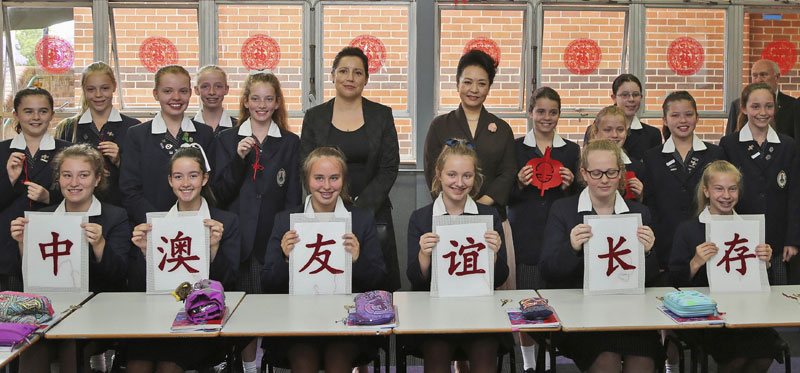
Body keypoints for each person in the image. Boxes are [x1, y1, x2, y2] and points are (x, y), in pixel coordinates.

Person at [539, 139, 661, 372]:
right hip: (581, 314)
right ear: (584, 173)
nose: (604, 179)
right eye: (596, 173)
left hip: (629, 313)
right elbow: (547, 270)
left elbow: (653, 278)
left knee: (642, 363)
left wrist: (649, 251)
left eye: (611, 172)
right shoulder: (564, 210)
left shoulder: (639, 213)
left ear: (621, 173)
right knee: (607, 361)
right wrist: (572, 247)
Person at [261, 147, 386, 372]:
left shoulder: (360, 219)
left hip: (347, 322)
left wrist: (357, 261)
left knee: (338, 361)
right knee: (304, 362)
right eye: (319, 178)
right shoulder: (286, 221)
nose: (326, 186)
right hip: (298, 323)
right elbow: (268, 282)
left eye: (334, 178)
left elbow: (378, 280)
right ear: (307, 181)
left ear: (343, 181)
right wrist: (286, 258)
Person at [12, 144, 131, 373]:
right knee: (32, 347)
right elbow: (26, 279)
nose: (74, 182)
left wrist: (100, 245)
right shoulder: (42, 218)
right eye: (67, 175)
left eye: (83, 175)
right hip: (50, 312)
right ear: (58, 178)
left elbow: (119, 275)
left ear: (97, 179)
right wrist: (22, 244)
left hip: (97, 312)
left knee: (71, 346)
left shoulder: (115, 216)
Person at [213, 71, 301, 373]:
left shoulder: (290, 142)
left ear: (276, 103)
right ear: (246, 102)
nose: (261, 105)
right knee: (245, 311)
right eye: (255, 99)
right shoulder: (226, 139)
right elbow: (220, 194)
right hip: (240, 240)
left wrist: (289, 235)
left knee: (275, 307)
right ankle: (249, 367)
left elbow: (292, 197)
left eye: (268, 98)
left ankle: (274, 364)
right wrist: (239, 159)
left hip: (273, 238)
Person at [127, 147, 240, 372]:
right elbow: (139, 286)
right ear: (170, 181)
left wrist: (214, 247)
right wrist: (144, 253)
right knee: (136, 365)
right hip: (158, 317)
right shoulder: (157, 224)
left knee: (169, 367)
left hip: (203, 319)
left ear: (205, 178)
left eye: (193, 175)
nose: (185, 183)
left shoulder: (225, 221)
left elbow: (231, 282)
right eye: (178, 176)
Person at [299, 47, 400, 291]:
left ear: (366, 78)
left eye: (357, 72)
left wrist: (359, 209)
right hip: (325, 213)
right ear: (332, 76)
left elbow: (389, 167)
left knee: (374, 285)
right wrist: (334, 206)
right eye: (343, 71)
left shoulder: (381, 115)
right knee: (327, 283)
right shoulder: (315, 117)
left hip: (374, 214)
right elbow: (306, 165)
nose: (350, 77)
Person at [669, 160, 781, 373]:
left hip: (747, 311)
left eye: (732, 189)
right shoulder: (688, 230)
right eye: (719, 189)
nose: (726, 196)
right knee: (736, 357)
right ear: (706, 191)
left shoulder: (749, 228)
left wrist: (765, 265)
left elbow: (768, 286)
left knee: (765, 353)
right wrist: (695, 263)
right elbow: (674, 283)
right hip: (706, 316)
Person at [407, 140, 509, 372]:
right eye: (452, 174)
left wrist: (493, 255)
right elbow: (415, 279)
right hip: (436, 314)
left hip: (479, 312)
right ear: (439, 174)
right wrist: (424, 254)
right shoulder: (421, 218)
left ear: (475, 178)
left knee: (484, 355)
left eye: (467, 176)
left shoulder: (488, 215)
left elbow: (501, 277)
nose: (459, 183)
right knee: (436, 353)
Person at [507, 87, 578, 372]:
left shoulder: (571, 150)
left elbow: (580, 198)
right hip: (526, 230)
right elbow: (505, 195)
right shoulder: (515, 148)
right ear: (530, 112)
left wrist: (570, 185)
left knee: (558, 298)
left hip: (560, 234)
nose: (546, 118)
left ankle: (551, 363)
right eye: (540, 111)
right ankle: (528, 365)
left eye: (552, 112)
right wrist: (519, 184)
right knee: (528, 300)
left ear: (559, 114)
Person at [719, 82, 800, 285]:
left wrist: (792, 239)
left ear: (775, 108)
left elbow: (795, 195)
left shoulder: (788, 145)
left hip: (779, 239)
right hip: (739, 237)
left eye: (768, 106)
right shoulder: (729, 144)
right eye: (755, 106)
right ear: (744, 108)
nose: (762, 112)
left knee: (778, 296)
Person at [424, 49, 516, 218]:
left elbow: (508, 174)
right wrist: (459, 208)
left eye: (481, 84)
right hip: (449, 215)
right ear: (457, 83)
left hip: (492, 214)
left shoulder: (503, 129)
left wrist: (480, 206)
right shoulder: (440, 125)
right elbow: (433, 172)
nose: (474, 89)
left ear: (489, 87)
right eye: (467, 82)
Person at [642, 91, 723, 282]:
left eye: (688, 114)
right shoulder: (652, 157)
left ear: (697, 117)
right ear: (664, 119)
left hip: (706, 241)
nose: (683, 120)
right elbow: (651, 204)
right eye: (675, 115)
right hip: (666, 243)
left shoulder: (715, 153)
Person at [119, 64, 215, 225]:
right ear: (156, 94)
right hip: (150, 225)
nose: (176, 97)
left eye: (183, 91)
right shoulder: (137, 135)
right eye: (168, 91)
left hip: (196, 223)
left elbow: (212, 184)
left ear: (191, 93)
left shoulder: (205, 134)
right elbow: (129, 189)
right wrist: (158, 223)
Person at [0, 87, 71, 291]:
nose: (36, 117)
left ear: (52, 114)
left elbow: (82, 196)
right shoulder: (2, 151)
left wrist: (49, 196)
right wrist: (9, 180)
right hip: (7, 250)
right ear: (16, 114)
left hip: (54, 245)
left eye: (43, 111)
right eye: (28, 111)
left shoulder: (67, 150)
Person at [54, 61, 141, 206]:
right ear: (83, 89)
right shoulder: (67, 128)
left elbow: (141, 179)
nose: (98, 95)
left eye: (105, 88)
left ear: (114, 86)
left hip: (121, 209)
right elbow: (58, 177)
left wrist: (120, 161)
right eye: (91, 89)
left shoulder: (133, 127)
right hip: (77, 210)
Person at [583, 74, 662, 162]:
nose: (631, 99)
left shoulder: (652, 134)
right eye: (625, 95)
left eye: (636, 95)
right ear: (614, 98)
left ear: (641, 98)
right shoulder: (594, 130)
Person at [725, 59, 800, 139]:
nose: (759, 80)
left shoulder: (793, 105)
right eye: (755, 76)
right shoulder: (738, 104)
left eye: (763, 75)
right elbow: (729, 139)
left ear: (777, 77)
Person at [589, 105, 646, 201]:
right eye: (607, 130)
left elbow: (646, 207)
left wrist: (640, 197)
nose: (614, 135)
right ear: (595, 133)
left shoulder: (638, 168)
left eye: (620, 130)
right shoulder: (583, 164)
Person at [194, 65, 237, 133]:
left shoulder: (239, 128)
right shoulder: (187, 128)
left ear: (226, 89)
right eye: (205, 87)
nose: (212, 92)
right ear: (196, 90)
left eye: (218, 86)